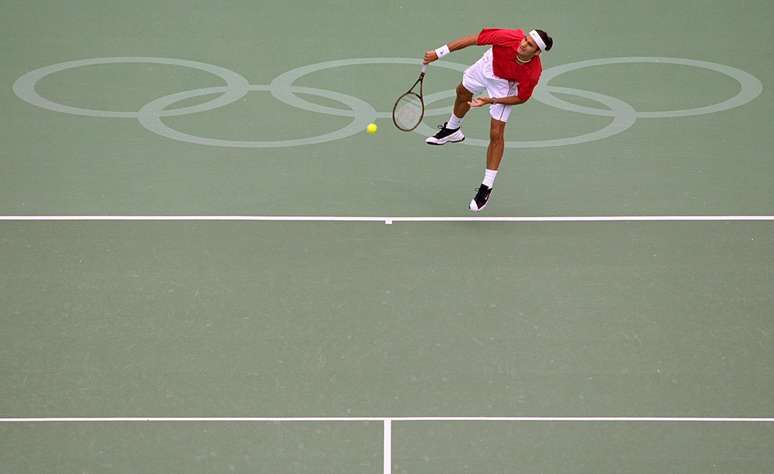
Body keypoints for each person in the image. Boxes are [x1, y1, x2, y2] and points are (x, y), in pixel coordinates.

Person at [423, 27, 554, 211]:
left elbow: (521, 98)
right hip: (489, 63)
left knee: (496, 132)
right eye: (525, 39)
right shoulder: (508, 37)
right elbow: (472, 39)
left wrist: (490, 100)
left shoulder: (532, 72)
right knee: (462, 92)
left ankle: (486, 187)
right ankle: (452, 130)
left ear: (537, 52)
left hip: (504, 85)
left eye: (529, 45)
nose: (523, 44)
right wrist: (439, 53)